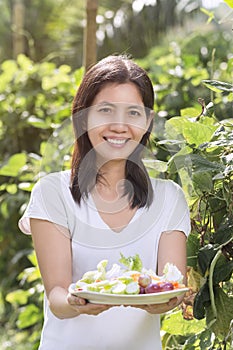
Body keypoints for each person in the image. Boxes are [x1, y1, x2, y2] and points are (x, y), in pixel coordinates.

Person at [19, 55, 191, 350]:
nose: (120, 126)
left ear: (148, 121)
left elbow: (171, 286)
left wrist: (168, 300)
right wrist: (76, 302)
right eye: (106, 111)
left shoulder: (169, 198)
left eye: (134, 113)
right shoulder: (53, 193)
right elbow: (57, 295)